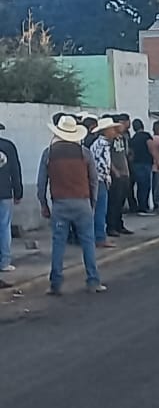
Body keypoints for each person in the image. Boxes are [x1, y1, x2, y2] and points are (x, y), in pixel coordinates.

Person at [36, 115, 106, 295]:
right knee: (88, 242)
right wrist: (92, 202)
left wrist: (43, 204)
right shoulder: (84, 153)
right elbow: (94, 181)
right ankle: (93, 281)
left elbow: (41, 183)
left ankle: (56, 283)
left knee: (58, 244)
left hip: (60, 204)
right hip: (82, 202)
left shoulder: (49, 153)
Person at [88, 118, 119, 248]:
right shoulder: (102, 145)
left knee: (99, 209)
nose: (114, 131)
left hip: (97, 179)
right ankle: (100, 237)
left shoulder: (98, 143)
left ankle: (98, 236)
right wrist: (107, 177)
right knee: (101, 209)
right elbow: (102, 165)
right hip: (100, 180)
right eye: (112, 129)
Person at [0, 120, 23, 276]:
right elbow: (15, 170)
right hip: (5, 192)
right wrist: (18, 192)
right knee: (4, 226)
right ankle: (4, 262)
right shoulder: (8, 146)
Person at [107, 114, 133, 235]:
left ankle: (119, 224)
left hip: (124, 173)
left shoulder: (122, 138)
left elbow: (124, 156)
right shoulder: (110, 140)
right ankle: (111, 226)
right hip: (115, 174)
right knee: (114, 201)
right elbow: (107, 157)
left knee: (121, 201)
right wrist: (114, 170)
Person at [128, 118, 154, 215]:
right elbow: (151, 147)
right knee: (146, 186)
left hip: (136, 163)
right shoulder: (146, 136)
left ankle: (140, 205)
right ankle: (144, 206)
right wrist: (155, 158)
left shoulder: (133, 139)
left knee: (140, 185)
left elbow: (130, 153)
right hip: (146, 163)